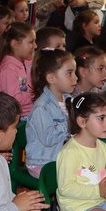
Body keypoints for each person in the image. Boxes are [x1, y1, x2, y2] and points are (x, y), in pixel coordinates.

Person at [25, 49, 76, 177]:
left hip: (61, 157)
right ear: (51, 78)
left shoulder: (69, 100)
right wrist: (71, 122)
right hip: (43, 162)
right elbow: (49, 138)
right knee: (78, 177)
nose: (75, 78)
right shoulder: (41, 108)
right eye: (69, 73)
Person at [0, 22, 36, 118]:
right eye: (31, 42)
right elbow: (14, 99)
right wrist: (35, 93)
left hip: (31, 112)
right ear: (15, 44)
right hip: (19, 118)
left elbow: (27, 85)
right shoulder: (8, 69)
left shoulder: (26, 62)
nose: (35, 46)